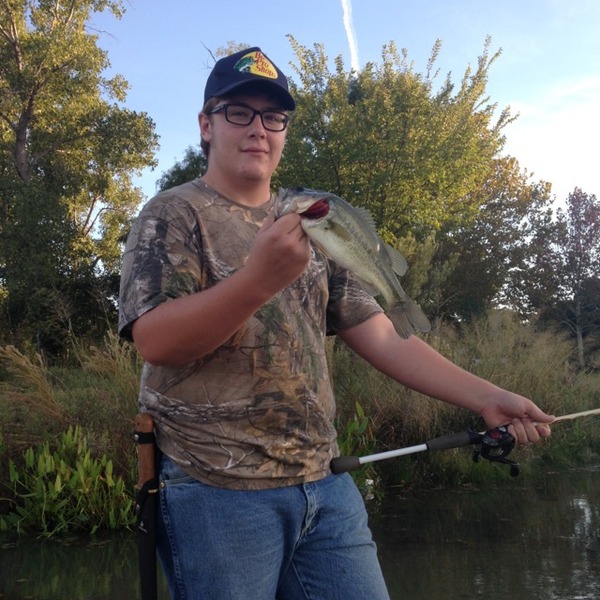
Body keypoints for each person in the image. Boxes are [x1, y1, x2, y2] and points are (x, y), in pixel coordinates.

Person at [118, 46, 554, 600]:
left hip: (324, 482)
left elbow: (382, 336)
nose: (258, 129)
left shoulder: (314, 219)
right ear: (206, 125)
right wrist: (258, 279)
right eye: (238, 112)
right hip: (214, 490)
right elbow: (155, 341)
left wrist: (487, 397)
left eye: (273, 117)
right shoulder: (171, 213)